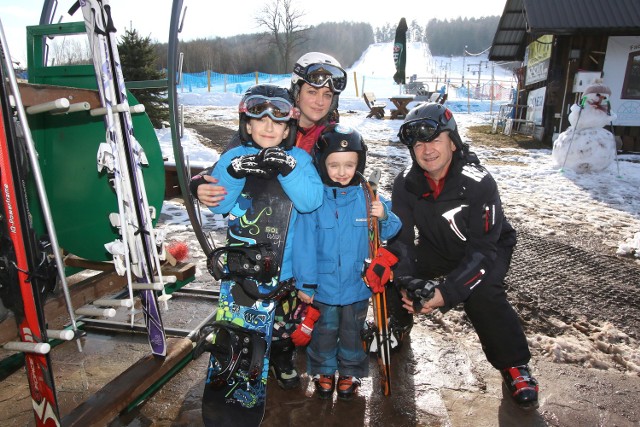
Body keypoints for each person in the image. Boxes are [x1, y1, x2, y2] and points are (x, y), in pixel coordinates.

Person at [190, 52, 347, 389]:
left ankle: (281, 356)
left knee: (284, 324)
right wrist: (220, 178)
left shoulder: (313, 147)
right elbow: (219, 200)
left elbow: (313, 198)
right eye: (311, 92)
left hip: (293, 254)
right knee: (244, 319)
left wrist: (289, 169)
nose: (268, 126)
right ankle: (237, 360)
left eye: (327, 95)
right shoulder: (238, 152)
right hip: (246, 258)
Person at [387, 103, 540, 410]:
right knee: (394, 270)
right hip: (437, 245)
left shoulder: (478, 181)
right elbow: (402, 240)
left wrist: (445, 293)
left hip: (488, 247)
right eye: (418, 144)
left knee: (482, 293)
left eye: (434, 140)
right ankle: (398, 325)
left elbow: (482, 252)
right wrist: (408, 280)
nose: (426, 150)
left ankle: (514, 364)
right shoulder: (405, 183)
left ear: (453, 141)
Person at [292, 125, 401, 400]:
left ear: (359, 164)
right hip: (324, 284)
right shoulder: (315, 201)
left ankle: (351, 371)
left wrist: (384, 215)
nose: (342, 171)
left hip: (358, 283)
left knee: (353, 330)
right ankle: (323, 369)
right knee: (325, 329)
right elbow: (304, 244)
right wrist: (305, 283)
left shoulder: (368, 196)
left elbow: (392, 229)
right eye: (334, 165)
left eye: (349, 164)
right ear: (322, 164)